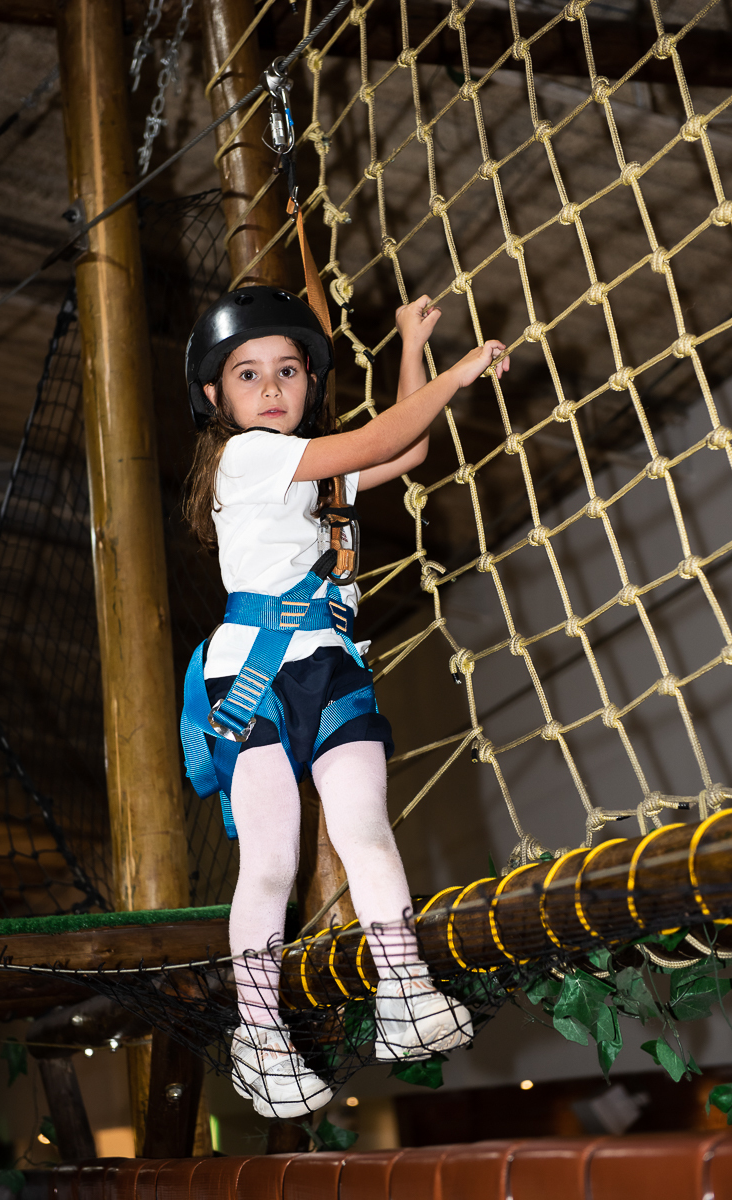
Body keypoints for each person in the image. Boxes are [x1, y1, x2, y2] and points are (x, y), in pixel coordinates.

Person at [181, 286, 509, 1119]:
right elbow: (385, 435)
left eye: (288, 371)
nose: (272, 387)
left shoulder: (316, 476)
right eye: (248, 374)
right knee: (271, 864)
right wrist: (459, 371)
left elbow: (404, 449)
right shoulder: (248, 460)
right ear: (217, 398)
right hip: (255, 674)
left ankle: (403, 989)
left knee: (365, 830)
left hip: (331, 671)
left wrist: (408, 345)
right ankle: (260, 1036)